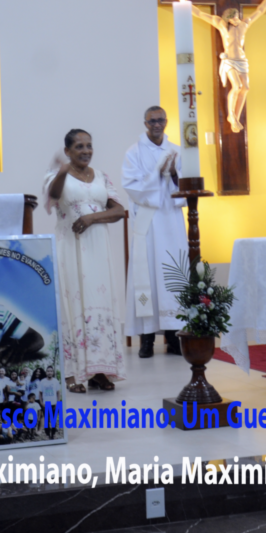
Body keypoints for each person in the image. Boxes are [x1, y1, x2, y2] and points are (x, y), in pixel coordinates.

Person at [43, 129, 126, 393]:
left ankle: (99, 371)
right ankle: (71, 374)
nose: (86, 151)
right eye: (79, 146)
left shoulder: (101, 176)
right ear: (67, 151)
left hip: (99, 251)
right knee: (73, 305)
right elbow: (54, 195)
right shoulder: (56, 176)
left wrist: (91, 218)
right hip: (71, 248)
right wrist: (62, 172)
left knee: (99, 305)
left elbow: (119, 211)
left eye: (89, 146)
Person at [121, 106, 186, 358]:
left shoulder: (177, 151)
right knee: (145, 276)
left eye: (160, 120)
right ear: (145, 124)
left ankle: (174, 337)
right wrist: (157, 174)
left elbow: (186, 184)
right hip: (148, 222)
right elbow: (131, 186)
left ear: (166, 122)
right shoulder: (134, 152)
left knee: (172, 276)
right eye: (152, 121)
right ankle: (146, 339)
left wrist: (174, 174)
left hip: (171, 222)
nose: (157, 124)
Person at [173, 0, 266, 133]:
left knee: (246, 88)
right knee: (236, 86)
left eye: (237, 16)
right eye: (233, 17)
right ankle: (231, 115)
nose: (237, 19)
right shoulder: (221, 25)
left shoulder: (244, 25)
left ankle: (235, 117)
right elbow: (199, 13)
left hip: (242, 61)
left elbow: (260, 10)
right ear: (228, 18)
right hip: (229, 61)